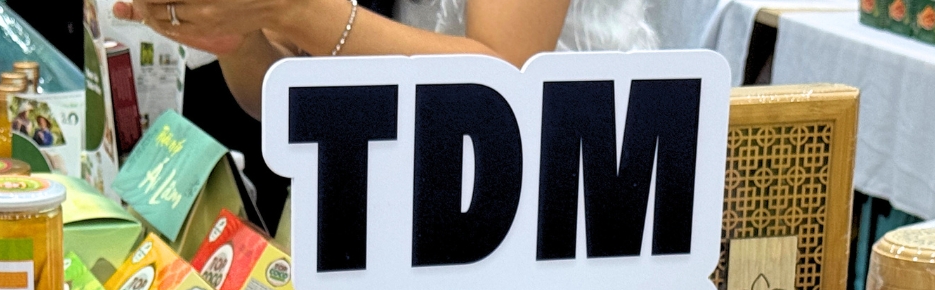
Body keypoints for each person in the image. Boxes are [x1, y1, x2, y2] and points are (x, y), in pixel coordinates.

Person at [112, 0, 655, 119]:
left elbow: (506, 82)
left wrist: (292, 10)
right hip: (405, 215)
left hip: (565, 199)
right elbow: (284, 101)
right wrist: (233, 31)